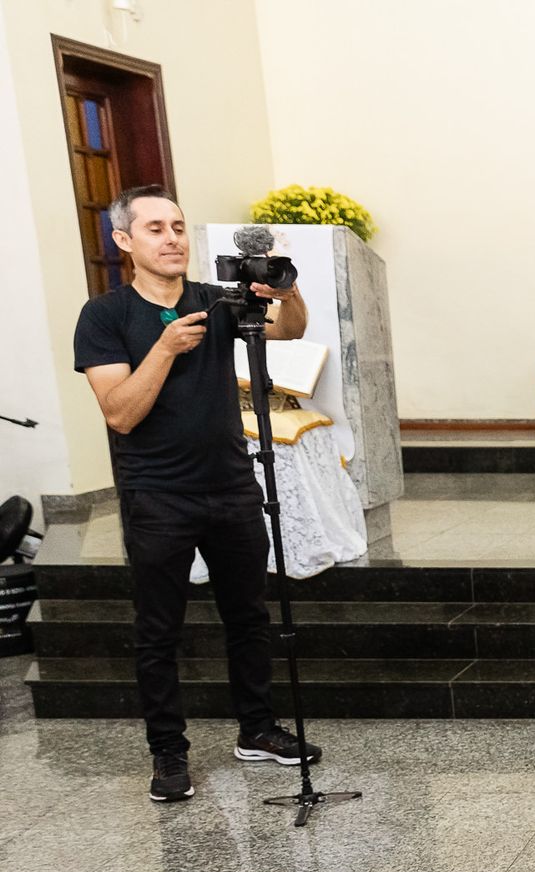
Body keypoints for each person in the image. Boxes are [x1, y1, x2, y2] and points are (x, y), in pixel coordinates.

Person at [73, 186, 321, 804]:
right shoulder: (105, 316)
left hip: (230, 484)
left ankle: (257, 729)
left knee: (248, 614)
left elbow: (289, 330)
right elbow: (120, 415)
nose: (173, 238)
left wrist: (284, 290)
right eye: (155, 228)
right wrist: (163, 349)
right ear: (125, 241)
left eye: (179, 226)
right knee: (159, 629)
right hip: (158, 493)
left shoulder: (216, 300)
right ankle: (168, 753)